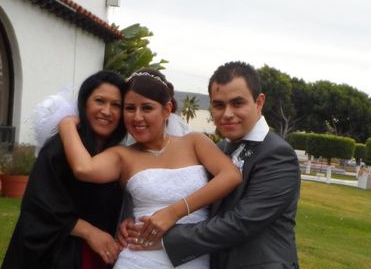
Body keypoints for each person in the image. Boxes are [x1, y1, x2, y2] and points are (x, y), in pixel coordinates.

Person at [58, 69, 242, 269]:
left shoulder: (194, 142)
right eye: (130, 108)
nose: (137, 117)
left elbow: (231, 175)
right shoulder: (122, 155)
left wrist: (174, 212)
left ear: (166, 109)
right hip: (138, 258)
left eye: (147, 108)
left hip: (191, 256)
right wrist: (66, 124)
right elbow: (83, 169)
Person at [127, 61, 301, 268]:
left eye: (237, 103)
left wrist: (163, 236)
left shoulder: (277, 154)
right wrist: (135, 222)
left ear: (259, 102)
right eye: (218, 105)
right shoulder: (218, 149)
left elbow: (243, 221)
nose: (227, 113)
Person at [2, 70, 127, 268]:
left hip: (102, 256)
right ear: (85, 103)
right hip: (56, 255)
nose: (106, 111)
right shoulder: (60, 147)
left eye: (116, 105)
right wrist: (88, 231)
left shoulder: (118, 154)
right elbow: (39, 204)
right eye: (100, 101)